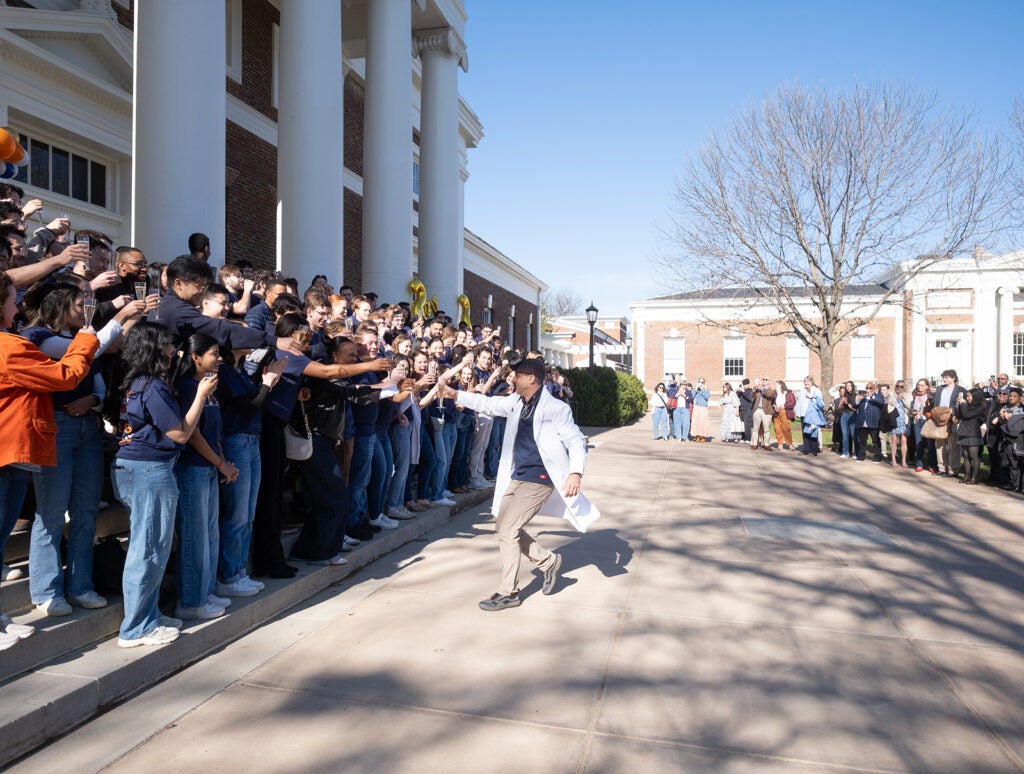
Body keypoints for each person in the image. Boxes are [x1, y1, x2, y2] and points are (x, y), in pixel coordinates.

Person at [21, 285, 145, 616]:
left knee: (86, 511)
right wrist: (121, 317)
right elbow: (86, 352)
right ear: (60, 305)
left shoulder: (82, 334)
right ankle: (46, 591)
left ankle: (80, 586)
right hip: (56, 428)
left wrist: (93, 399)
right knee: (50, 512)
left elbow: (97, 373)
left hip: (88, 427)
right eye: (79, 304)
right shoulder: (37, 337)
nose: (83, 309)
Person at [439, 357, 599, 611]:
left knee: (508, 529)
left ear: (532, 378)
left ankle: (509, 592)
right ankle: (547, 562)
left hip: (541, 477)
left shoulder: (556, 408)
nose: (512, 378)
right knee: (503, 526)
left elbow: (576, 440)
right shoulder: (515, 402)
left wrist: (575, 473)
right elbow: (487, 403)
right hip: (518, 475)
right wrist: (454, 394)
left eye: (518, 375)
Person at [0, 270, 98, 650]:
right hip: (9, 449)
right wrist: (88, 338)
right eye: (11, 300)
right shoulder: (10, 347)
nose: (16, 306)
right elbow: (66, 375)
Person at [112, 322, 219, 647]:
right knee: (148, 551)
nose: (174, 351)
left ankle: (149, 616)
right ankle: (135, 628)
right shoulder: (152, 386)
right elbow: (181, 434)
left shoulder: (139, 382)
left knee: (152, 547)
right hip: (148, 471)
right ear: (153, 349)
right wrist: (200, 395)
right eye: (167, 346)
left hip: (138, 468)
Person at [955, 388, 988, 485]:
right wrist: (958, 405)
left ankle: (975, 477)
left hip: (973, 433)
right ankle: (967, 475)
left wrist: (963, 404)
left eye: (969, 396)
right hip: (964, 432)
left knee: (974, 455)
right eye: (966, 396)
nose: (967, 398)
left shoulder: (980, 407)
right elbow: (959, 415)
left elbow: (966, 415)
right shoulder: (967, 405)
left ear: (975, 396)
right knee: (965, 455)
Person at [798, 377, 827, 456]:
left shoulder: (816, 390)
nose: (805, 383)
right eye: (804, 382)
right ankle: (806, 450)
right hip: (803, 414)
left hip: (812, 415)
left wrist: (811, 396)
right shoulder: (802, 390)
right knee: (805, 432)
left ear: (811, 382)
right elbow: (799, 402)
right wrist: (798, 412)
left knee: (813, 432)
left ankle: (814, 451)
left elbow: (820, 402)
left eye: (807, 382)